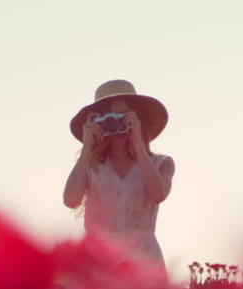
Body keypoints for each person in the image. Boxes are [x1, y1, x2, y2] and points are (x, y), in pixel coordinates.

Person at [62, 79, 175, 268]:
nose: (117, 122)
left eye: (123, 116)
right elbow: (70, 200)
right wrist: (87, 147)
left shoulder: (160, 163)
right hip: (100, 258)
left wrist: (138, 144)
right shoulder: (90, 167)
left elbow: (159, 194)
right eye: (110, 117)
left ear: (138, 120)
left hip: (143, 258)